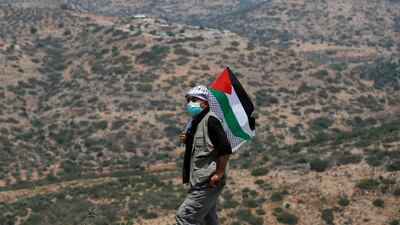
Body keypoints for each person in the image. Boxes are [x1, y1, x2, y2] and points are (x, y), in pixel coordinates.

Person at [175, 85, 232, 225]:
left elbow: (225, 148)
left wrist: (219, 173)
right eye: (188, 100)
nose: (190, 103)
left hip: (207, 181)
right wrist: (187, 139)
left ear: (205, 103)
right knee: (208, 220)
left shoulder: (211, 120)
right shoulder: (195, 121)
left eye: (194, 100)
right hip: (199, 179)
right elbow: (203, 145)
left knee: (184, 218)